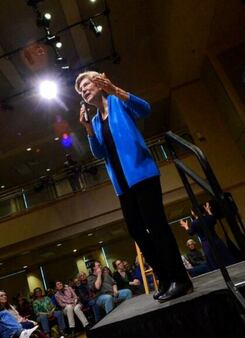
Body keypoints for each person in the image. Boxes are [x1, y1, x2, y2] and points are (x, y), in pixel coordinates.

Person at [76, 71, 192, 302]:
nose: (84, 90)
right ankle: (165, 279)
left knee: (157, 226)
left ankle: (181, 279)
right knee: (137, 231)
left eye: (86, 84)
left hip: (142, 174)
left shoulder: (118, 101)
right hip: (122, 185)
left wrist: (114, 88)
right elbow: (100, 152)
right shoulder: (97, 121)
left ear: (99, 82)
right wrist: (88, 129)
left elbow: (145, 109)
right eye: (80, 90)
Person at [179, 202, 235, 270]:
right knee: (226, 260)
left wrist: (186, 226)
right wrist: (208, 210)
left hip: (207, 244)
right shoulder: (209, 218)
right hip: (217, 241)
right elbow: (213, 219)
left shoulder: (195, 223)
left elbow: (190, 233)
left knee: (216, 264)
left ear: (194, 212)